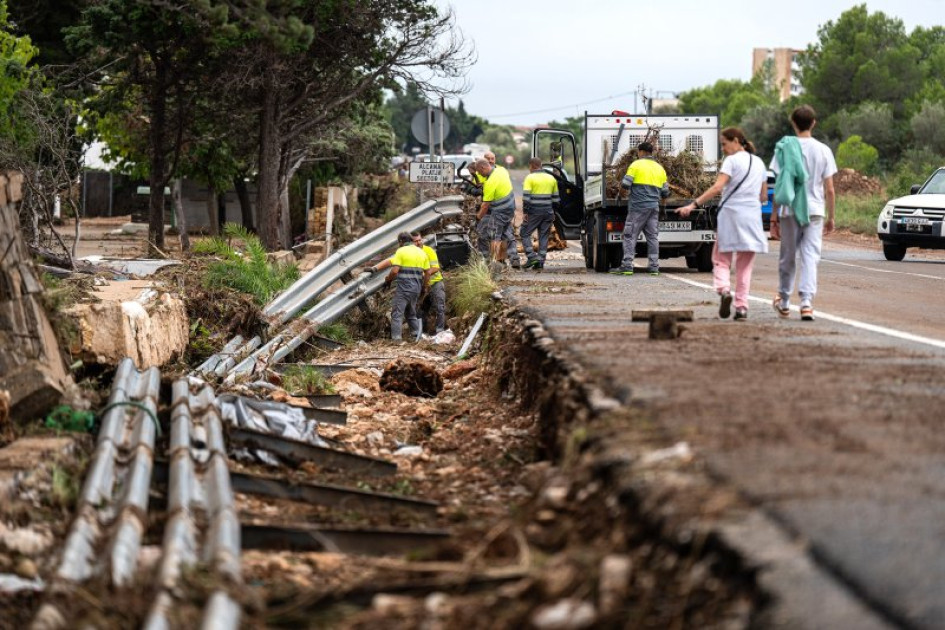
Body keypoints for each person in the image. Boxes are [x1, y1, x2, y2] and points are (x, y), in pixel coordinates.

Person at [678, 128, 768, 320]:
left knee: (721, 259)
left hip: (731, 215)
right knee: (745, 266)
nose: (723, 148)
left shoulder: (732, 161)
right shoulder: (759, 162)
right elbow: (763, 196)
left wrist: (693, 204)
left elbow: (718, 187)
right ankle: (742, 307)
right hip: (752, 217)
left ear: (735, 141)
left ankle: (724, 290)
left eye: (724, 144)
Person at [769, 105, 837, 321]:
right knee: (810, 257)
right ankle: (807, 303)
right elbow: (830, 189)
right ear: (814, 123)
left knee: (787, 256)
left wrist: (773, 217)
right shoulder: (824, 150)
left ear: (793, 123)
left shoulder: (784, 147)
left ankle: (785, 301)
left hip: (790, 210)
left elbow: (779, 185)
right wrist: (832, 216)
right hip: (816, 210)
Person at [611, 141, 669, 276]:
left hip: (638, 207)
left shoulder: (636, 165)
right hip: (654, 207)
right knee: (653, 237)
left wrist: (620, 195)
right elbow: (665, 193)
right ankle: (654, 267)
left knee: (630, 235)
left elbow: (625, 185)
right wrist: (663, 207)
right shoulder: (660, 168)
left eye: (638, 152)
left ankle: (627, 265)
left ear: (642, 152)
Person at [370, 232, 430, 341]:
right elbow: (428, 273)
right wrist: (424, 288)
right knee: (410, 313)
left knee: (397, 314)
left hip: (404, 288)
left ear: (401, 242)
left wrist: (388, 280)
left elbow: (394, 271)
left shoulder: (401, 251)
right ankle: (417, 336)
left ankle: (396, 339)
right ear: (411, 240)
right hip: (416, 288)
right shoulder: (422, 253)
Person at [474, 158, 517, 268]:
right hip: (510, 208)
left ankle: (494, 264)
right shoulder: (501, 170)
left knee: (494, 236)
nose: (479, 174)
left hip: (500, 211)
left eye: (479, 171)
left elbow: (485, 206)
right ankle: (502, 261)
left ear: (483, 167)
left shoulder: (490, 183)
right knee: (504, 235)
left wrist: (478, 218)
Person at [484, 151, 522, 267]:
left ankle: (502, 260)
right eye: (488, 159)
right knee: (504, 234)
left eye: (492, 158)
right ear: (483, 160)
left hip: (497, 208)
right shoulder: (481, 172)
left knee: (498, 234)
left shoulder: (500, 170)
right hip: (497, 208)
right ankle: (505, 260)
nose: (490, 161)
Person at [520, 157, 559, 270]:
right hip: (548, 212)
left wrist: (525, 212)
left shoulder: (530, 178)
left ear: (532, 166)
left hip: (534, 212)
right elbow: (556, 199)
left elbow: (526, 198)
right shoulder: (551, 178)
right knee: (543, 236)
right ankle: (541, 261)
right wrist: (553, 212)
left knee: (524, 233)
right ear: (540, 165)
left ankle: (532, 257)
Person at [412, 231, 447, 333]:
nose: (418, 243)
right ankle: (421, 332)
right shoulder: (411, 254)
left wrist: (424, 275)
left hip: (435, 282)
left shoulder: (429, 251)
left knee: (439, 307)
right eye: (415, 241)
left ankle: (440, 331)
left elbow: (436, 268)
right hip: (420, 285)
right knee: (420, 309)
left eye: (419, 240)